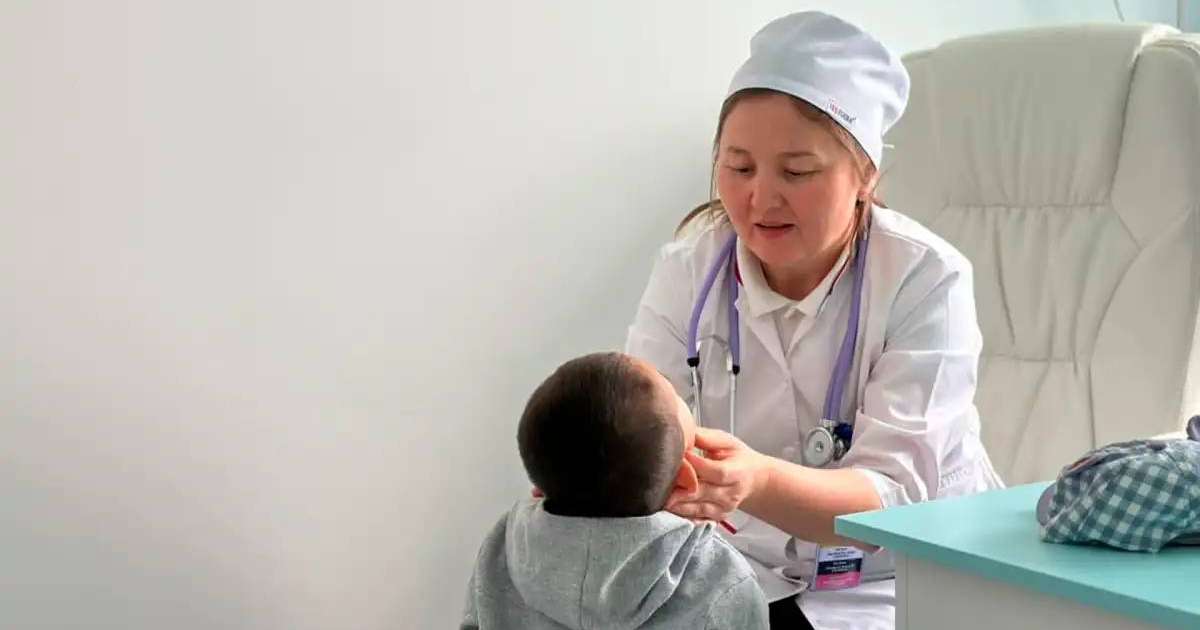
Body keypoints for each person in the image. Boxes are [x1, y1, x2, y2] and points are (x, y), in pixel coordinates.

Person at [625, 11, 1004, 629]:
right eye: (739, 167)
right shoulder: (688, 271)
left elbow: (890, 503)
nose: (760, 198)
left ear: (866, 176)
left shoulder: (926, 278)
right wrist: (608, 469)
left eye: (797, 171)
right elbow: (648, 427)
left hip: (907, 580)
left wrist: (754, 480)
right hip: (742, 571)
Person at [460, 352, 769, 629]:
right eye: (674, 395)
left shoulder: (501, 549)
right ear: (685, 481)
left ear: (539, 488)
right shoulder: (719, 580)